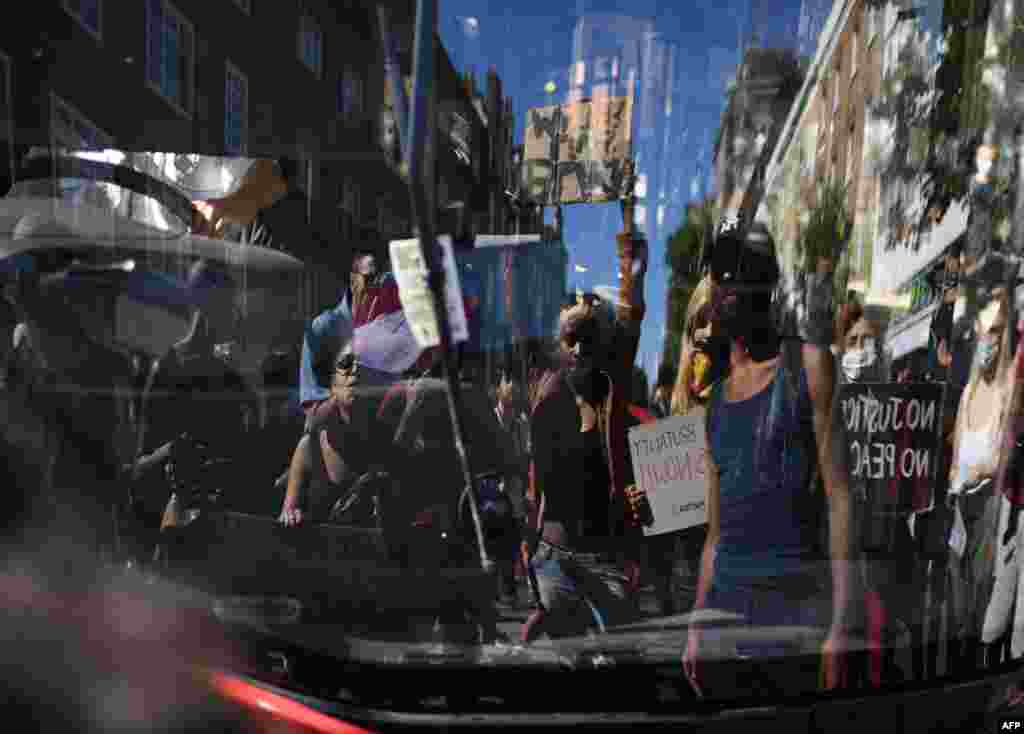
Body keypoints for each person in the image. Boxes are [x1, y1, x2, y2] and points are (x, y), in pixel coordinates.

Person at [682, 225, 850, 698]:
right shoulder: (714, 401)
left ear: (769, 282)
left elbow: (840, 497)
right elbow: (714, 537)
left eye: (747, 272)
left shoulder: (808, 367)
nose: (734, 284)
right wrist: (696, 622)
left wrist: (842, 625)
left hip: (792, 625)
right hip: (724, 625)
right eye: (723, 274)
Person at [521, 232, 650, 642]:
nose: (579, 350)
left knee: (615, 661)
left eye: (588, 339)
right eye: (570, 340)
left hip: (606, 558)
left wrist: (632, 271)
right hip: (553, 557)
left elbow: (631, 320)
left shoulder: (612, 392)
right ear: (557, 346)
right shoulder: (545, 392)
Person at [946, 290, 1015, 671]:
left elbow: (1003, 459)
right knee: (958, 615)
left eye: (998, 332)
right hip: (960, 514)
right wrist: (955, 481)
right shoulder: (968, 393)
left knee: (980, 614)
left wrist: (980, 473)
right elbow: (955, 459)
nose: (990, 340)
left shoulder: (1008, 392)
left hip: (989, 515)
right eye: (985, 332)